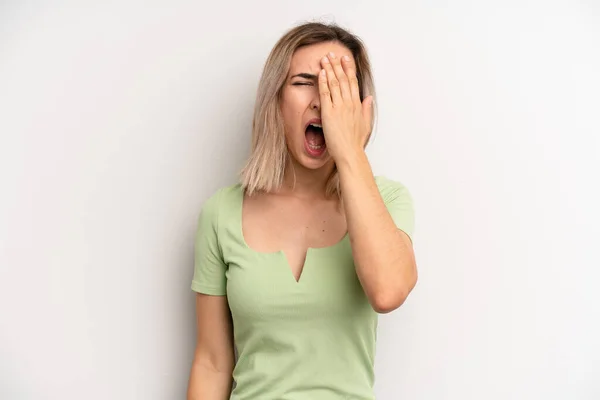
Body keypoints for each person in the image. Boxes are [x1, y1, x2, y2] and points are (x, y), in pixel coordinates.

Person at [187, 21, 417, 400]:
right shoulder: (222, 212)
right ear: (275, 99)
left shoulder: (389, 200)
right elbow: (212, 362)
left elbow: (389, 290)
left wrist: (350, 151)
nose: (322, 100)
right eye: (304, 82)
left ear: (360, 108)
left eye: (338, 87)